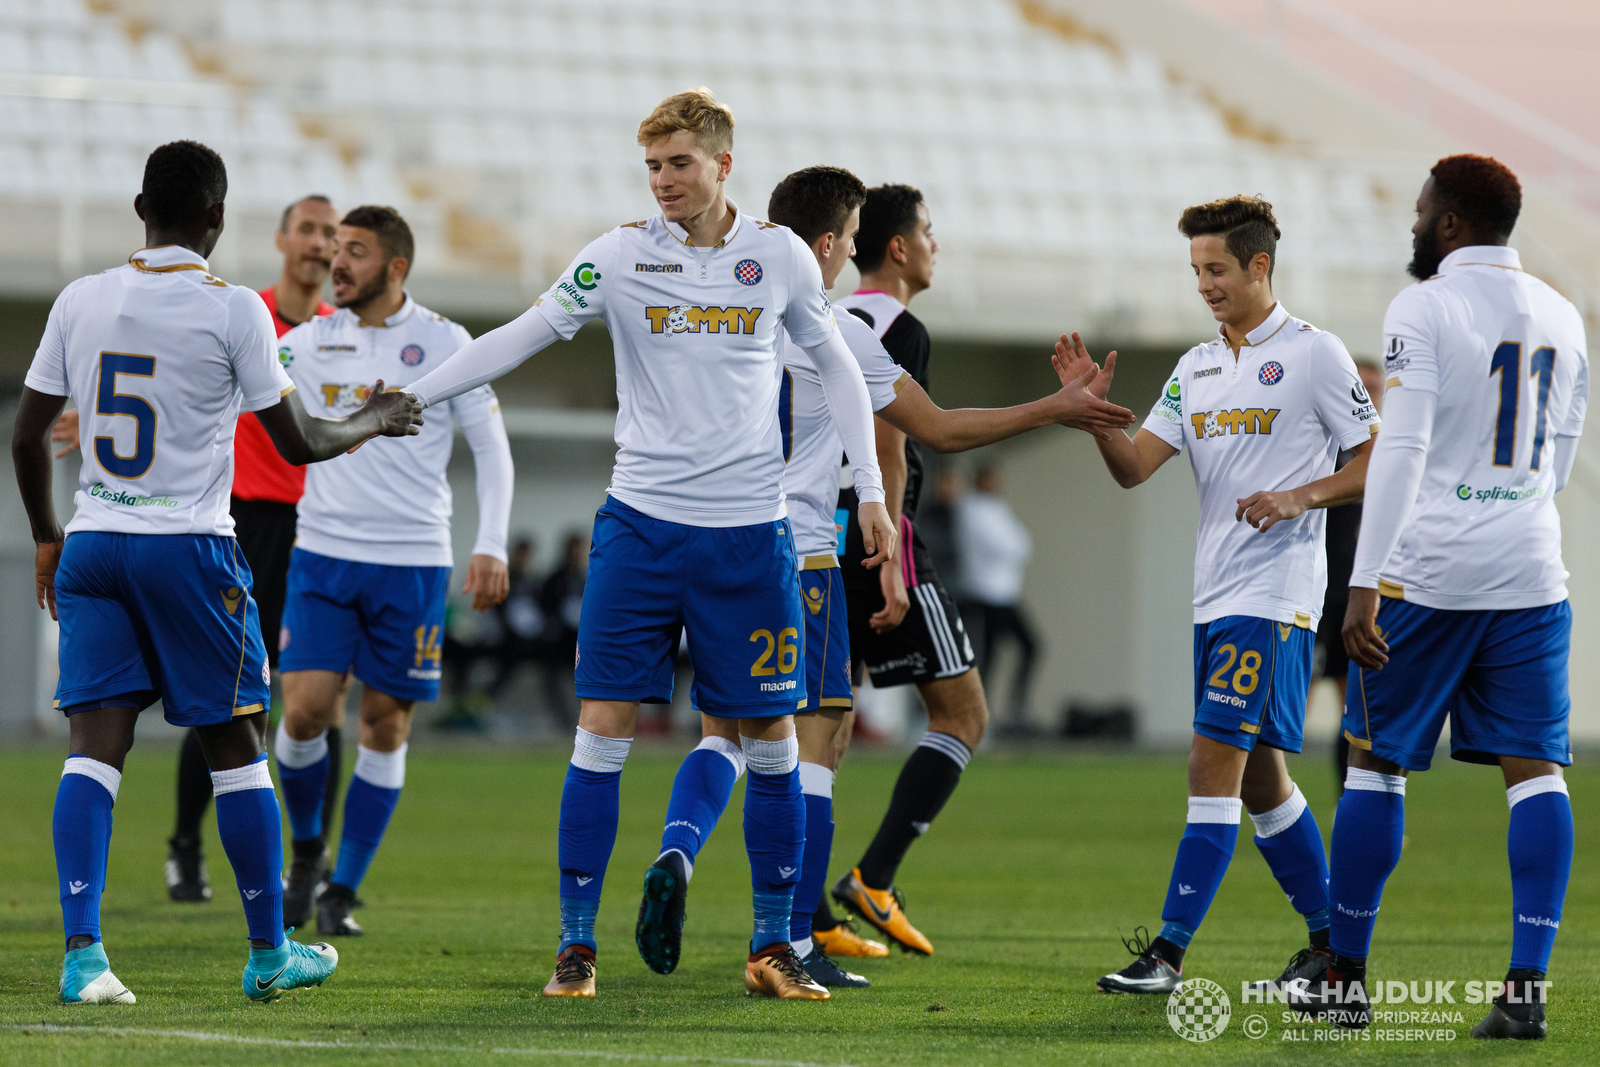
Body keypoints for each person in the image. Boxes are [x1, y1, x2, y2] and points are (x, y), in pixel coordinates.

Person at [399, 89, 898, 1000]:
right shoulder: (618, 256)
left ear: (723, 165)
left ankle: (769, 947)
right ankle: (576, 946)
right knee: (601, 731)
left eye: (679, 164)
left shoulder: (779, 255)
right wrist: (413, 398)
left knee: (772, 739)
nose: (664, 182)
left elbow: (834, 364)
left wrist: (866, 487)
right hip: (639, 528)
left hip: (750, 537)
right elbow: (522, 333)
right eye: (654, 167)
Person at [632, 166, 1134, 988]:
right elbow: (933, 428)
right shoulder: (841, 330)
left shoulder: (714, 316)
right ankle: (791, 938)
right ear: (830, 244)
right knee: (819, 742)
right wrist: (1054, 408)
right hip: (810, 550)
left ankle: (679, 851)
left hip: (709, 546)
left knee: (726, 732)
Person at [12, 139, 420, 1004]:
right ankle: (270, 952)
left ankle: (84, 955)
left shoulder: (80, 298)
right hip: (190, 545)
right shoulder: (234, 307)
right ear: (217, 220)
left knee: (94, 750)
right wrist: (376, 416)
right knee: (235, 747)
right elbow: (300, 441)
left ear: (138, 209)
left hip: (91, 543)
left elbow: (25, 433)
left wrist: (48, 533)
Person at [1294, 156, 1587, 1040]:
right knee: (1536, 773)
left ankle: (1346, 975)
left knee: (1378, 764)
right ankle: (1525, 989)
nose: (1412, 226)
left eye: (1420, 213)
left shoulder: (1423, 306)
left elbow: (1403, 447)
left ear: (1450, 224)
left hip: (1428, 576)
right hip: (1533, 574)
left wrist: (1363, 582)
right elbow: (1563, 458)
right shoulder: (1566, 312)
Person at [1070, 195, 1380, 995]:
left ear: (1259, 265)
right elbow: (1135, 466)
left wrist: (1297, 497)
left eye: (1216, 269)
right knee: (1260, 779)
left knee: (1211, 762)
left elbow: (1375, 460)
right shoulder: (1196, 367)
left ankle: (1167, 954)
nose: (1204, 284)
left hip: (1275, 595)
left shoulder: (1315, 354)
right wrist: (1096, 414)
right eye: (1196, 270)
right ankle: (1329, 952)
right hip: (1215, 596)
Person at [48, 195, 346, 904]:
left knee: (312, 703)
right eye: (307, 228)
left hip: (319, 525)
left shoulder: (341, 334)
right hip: (230, 523)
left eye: (331, 234)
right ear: (279, 238)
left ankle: (308, 861)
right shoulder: (244, 309)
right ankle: (194, 852)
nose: (319, 243)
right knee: (228, 707)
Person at [272, 205, 514, 937]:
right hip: (322, 551)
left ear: (396, 267)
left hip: (411, 560)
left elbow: (492, 448)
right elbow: (227, 397)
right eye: (334, 248)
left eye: (354, 251)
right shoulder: (307, 341)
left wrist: (492, 541)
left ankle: (343, 887)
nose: (334, 262)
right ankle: (308, 847)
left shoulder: (446, 343)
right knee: (306, 710)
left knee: (384, 724)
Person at [1320, 359, 1385, 795]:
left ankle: (1350, 800)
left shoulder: (1392, 449)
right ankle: (1263, 798)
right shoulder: (1326, 444)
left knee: (1355, 706)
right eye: (1360, 386)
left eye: (1375, 387)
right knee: (1280, 704)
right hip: (1312, 589)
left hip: (1356, 594)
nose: (1369, 393)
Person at [956, 465, 1040, 736]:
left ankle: (997, 711)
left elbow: (1022, 544)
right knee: (1002, 653)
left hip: (1005, 592)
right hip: (987, 593)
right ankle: (986, 713)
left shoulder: (995, 507)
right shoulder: (972, 508)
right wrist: (1014, 545)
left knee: (1000, 654)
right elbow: (1008, 545)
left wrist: (1015, 545)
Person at [537, 532, 588, 731]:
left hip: (582, 642)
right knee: (553, 676)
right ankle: (565, 720)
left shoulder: (588, 578)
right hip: (560, 642)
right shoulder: (554, 580)